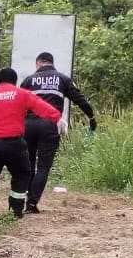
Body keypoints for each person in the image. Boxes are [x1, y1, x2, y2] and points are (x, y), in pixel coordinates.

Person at [0, 67, 60, 226]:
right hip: (13, 144)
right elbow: (40, 106)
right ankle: (15, 210)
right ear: (15, 81)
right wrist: (57, 117)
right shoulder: (21, 93)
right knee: (22, 173)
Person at [19, 51, 97, 214]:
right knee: (43, 166)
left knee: (29, 164)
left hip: (29, 125)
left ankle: (24, 198)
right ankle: (32, 203)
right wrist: (91, 117)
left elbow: (17, 105)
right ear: (52, 63)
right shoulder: (62, 79)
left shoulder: (28, 80)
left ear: (38, 63)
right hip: (49, 126)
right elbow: (79, 99)